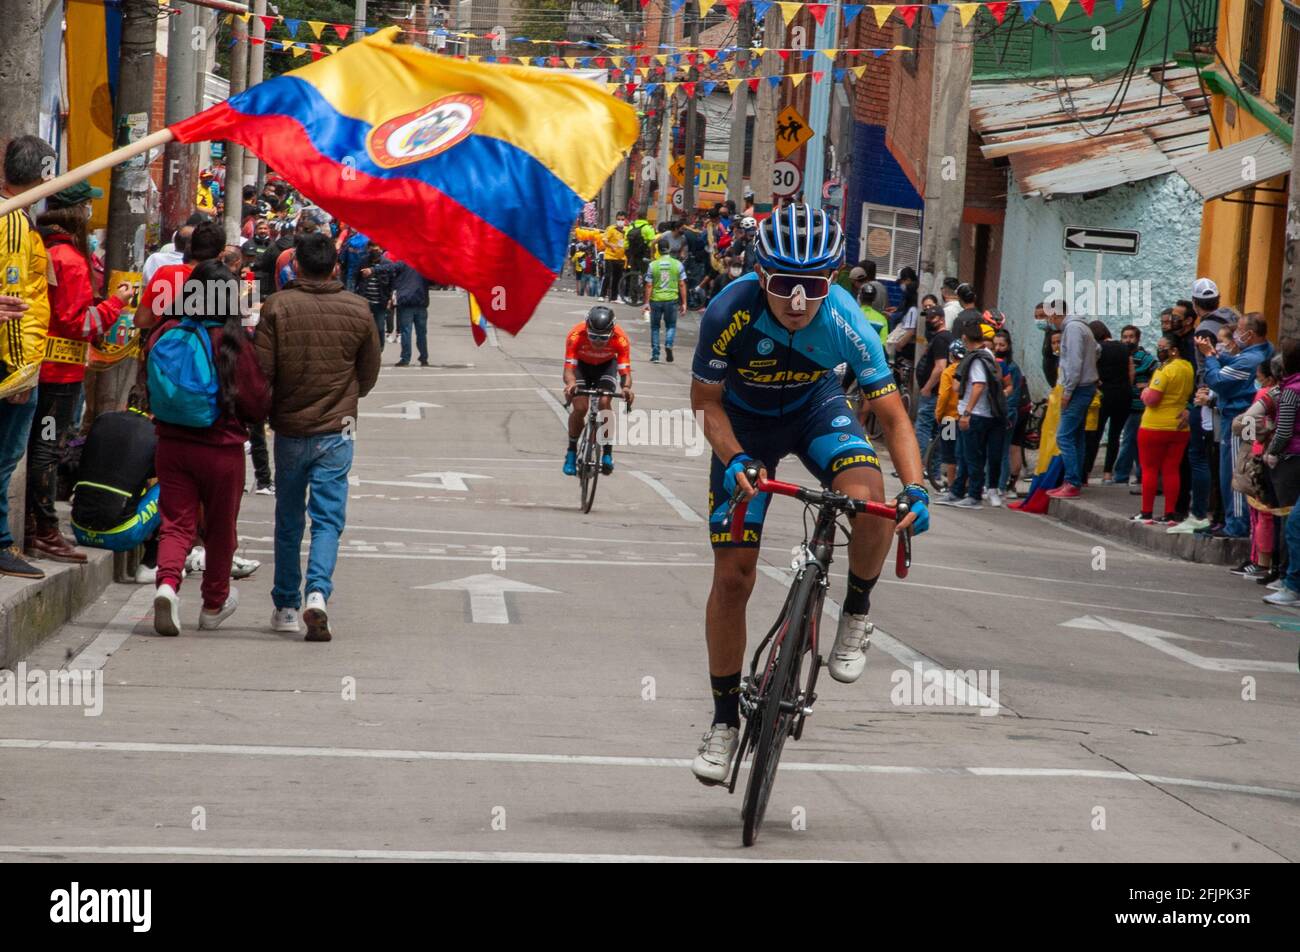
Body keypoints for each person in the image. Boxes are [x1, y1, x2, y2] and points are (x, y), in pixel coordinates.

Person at [687, 203, 927, 784]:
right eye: (784, 284)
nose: (798, 302)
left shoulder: (845, 318)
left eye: (813, 285)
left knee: (871, 499)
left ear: (833, 281)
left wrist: (916, 489)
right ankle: (723, 722)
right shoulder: (728, 310)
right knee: (733, 576)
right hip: (744, 426)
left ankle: (857, 609)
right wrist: (735, 456)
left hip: (816, 412)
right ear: (759, 274)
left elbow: (894, 418)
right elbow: (706, 403)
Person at [253, 232, 380, 641]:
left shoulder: (277, 307)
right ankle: (318, 595)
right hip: (338, 430)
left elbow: (263, 373)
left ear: (297, 267)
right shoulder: (359, 309)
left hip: (290, 427)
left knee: (289, 519)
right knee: (327, 520)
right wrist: (344, 397)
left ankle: (286, 605)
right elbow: (369, 374)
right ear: (335, 267)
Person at [143, 260, 270, 635]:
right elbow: (257, 402)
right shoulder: (233, 343)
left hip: (171, 445)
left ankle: (167, 584)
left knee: (176, 523)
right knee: (219, 530)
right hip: (222, 449)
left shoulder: (166, 331)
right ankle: (213, 604)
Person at [24, 182, 133, 564]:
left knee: (36, 446)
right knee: (47, 448)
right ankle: (45, 529)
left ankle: (34, 526)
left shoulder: (44, 247)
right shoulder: (68, 258)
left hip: (44, 369)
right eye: (87, 205)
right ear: (76, 212)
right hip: (59, 377)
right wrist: (116, 304)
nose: (91, 212)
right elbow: (77, 322)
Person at [0, 135, 56, 579]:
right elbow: (16, 305)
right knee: (4, 459)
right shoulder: (14, 224)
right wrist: (21, 373)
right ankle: (1, 541)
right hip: (12, 365)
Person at [1201, 311, 1274, 539]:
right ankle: (1238, 521)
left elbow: (1219, 381)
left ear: (1250, 334)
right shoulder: (1264, 351)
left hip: (1238, 420)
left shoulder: (1249, 359)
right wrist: (1218, 356)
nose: (1236, 336)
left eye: (1239, 331)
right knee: (1244, 466)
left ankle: (1237, 524)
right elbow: (1233, 367)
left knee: (1236, 471)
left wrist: (1210, 359)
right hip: (1246, 418)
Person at [939, 322, 1004, 509]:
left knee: (972, 458)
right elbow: (997, 375)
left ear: (965, 338)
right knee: (964, 456)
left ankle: (974, 495)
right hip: (980, 414)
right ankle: (957, 492)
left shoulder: (976, 359)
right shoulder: (988, 354)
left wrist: (967, 413)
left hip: (975, 414)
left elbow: (978, 385)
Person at [562, 306, 633, 476]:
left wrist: (626, 388)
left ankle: (607, 452)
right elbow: (569, 370)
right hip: (582, 367)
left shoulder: (621, 339)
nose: (597, 342)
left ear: (611, 332)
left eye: (602, 338)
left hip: (606, 367)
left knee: (604, 403)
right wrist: (571, 385)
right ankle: (571, 452)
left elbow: (625, 373)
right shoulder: (575, 335)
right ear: (587, 328)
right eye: (593, 336)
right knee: (580, 408)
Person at [1134, 333, 1194, 525]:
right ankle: (1170, 514)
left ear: (1173, 350)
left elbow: (1153, 399)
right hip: (1179, 427)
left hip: (1155, 426)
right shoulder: (1188, 367)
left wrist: (1144, 392)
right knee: (1171, 470)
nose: (1159, 350)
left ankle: (1146, 513)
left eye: (1162, 347)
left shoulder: (1164, 371)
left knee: (1150, 470)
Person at [1231, 355, 1281, 582]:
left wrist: (1253, 440)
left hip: (1260, 454)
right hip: (1266, 452)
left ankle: (1260, 560)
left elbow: (1246, 426)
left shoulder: (1266, 395)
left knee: (1262, 514)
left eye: (1259, 377)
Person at [1045, 303, 1098, 498]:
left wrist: (1067, 391)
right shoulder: (1082, 327)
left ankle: (1072, 481)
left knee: (1064, 436)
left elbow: (1074, 363)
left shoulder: (1073, 329)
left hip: (1078, 388)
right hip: (1084, 386)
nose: (1048, 321)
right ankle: (1076, 478)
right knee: (1076, 436)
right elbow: (1096, 351)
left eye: (1049, 316)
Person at [1263, 341, 1300, 606]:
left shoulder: (1290, 392)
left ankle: (1289, 580)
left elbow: (1284, 429)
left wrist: (1271, 451)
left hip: (1290, 459)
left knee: (1292, 522)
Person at [1086, 321, 1133, 484]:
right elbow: (1130, 372)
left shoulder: (1097, 348)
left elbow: (1091, 371)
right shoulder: (1123, 347)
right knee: (1114, 436)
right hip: (1123, 394)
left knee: (1095, 435)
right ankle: (1107, 474)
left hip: (1104, 394)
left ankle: (1086, 472)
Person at [913, 304, 951, 484]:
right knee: (938, 433)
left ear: (941, 319)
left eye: (932, 318)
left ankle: (915, 467)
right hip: (937, 395)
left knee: (923, 429)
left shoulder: (942, 339)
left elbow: (940, 367)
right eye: (927, 317)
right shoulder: (939, 338)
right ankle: (934, 472)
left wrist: (927, 387)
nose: (928, 321)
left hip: (933, 395)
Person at [1115, 324, 1156, 488]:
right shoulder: (1120, 357)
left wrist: (1147, 385)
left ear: (1137, 339)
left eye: (1131, 337)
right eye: (1124, 337)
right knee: (1135, 441)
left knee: (1129, 440)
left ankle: (1121, 475)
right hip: (1125, 404)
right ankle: (1140, 474)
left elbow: (1157, 374)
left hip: (1139, 406)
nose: (1127, 340)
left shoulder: (1145, 358)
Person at [381, 257, 432, 367]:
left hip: (406, 302)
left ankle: (405, 358)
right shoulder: (424, 265)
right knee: (421, 333)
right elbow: (433, 280)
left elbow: (390, 268)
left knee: (406, 332)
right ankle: (424, 358)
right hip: (420, 302)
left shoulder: (403, 262)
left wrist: (373, 269)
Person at [644, 237, 685, 363]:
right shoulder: (677, 264)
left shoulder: (652, 265)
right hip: (672, 299)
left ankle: (655, 355)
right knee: (671, 325)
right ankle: (668, 344)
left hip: (656, 300)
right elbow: (682, 284)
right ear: (669, 248)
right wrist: (684, 303)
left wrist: (646, 302)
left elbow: (649, 285)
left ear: (658, 250)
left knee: (655, 327)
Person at [992, 329, 1023, 497]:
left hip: (1006, 414)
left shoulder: (1012, 368)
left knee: (1004, 451)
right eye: (995, 344)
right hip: (994, 413)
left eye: (1001, 345)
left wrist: (1008, 415)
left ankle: (1001, 486)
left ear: (1008, 346)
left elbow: (1013, 394)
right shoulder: (993, 364)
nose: (998, 348)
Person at [357, 244, 395, 352]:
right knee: (363, 326)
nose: (374, 252)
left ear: (381, 250)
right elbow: (356, 278)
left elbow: (392, 282)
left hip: (380, 300)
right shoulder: (363, 261)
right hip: (365, 299)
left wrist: (390, 298)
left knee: (379, 327)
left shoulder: (387, 264)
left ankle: (380, 348)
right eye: (372, 249)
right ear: (368, 249)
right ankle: (364, 348)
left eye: (377, 249)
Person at [603, 212, 628, 302]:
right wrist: (611, 245)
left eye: (622, 219)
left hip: (621, 258)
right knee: (608, 275)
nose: (620, 221)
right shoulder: (611, 229)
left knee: (618, 278)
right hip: (610, 256)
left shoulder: (627, 230)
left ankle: (614, 297)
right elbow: (605, 241)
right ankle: (602, 295)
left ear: (625, 220)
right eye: (618, 219)